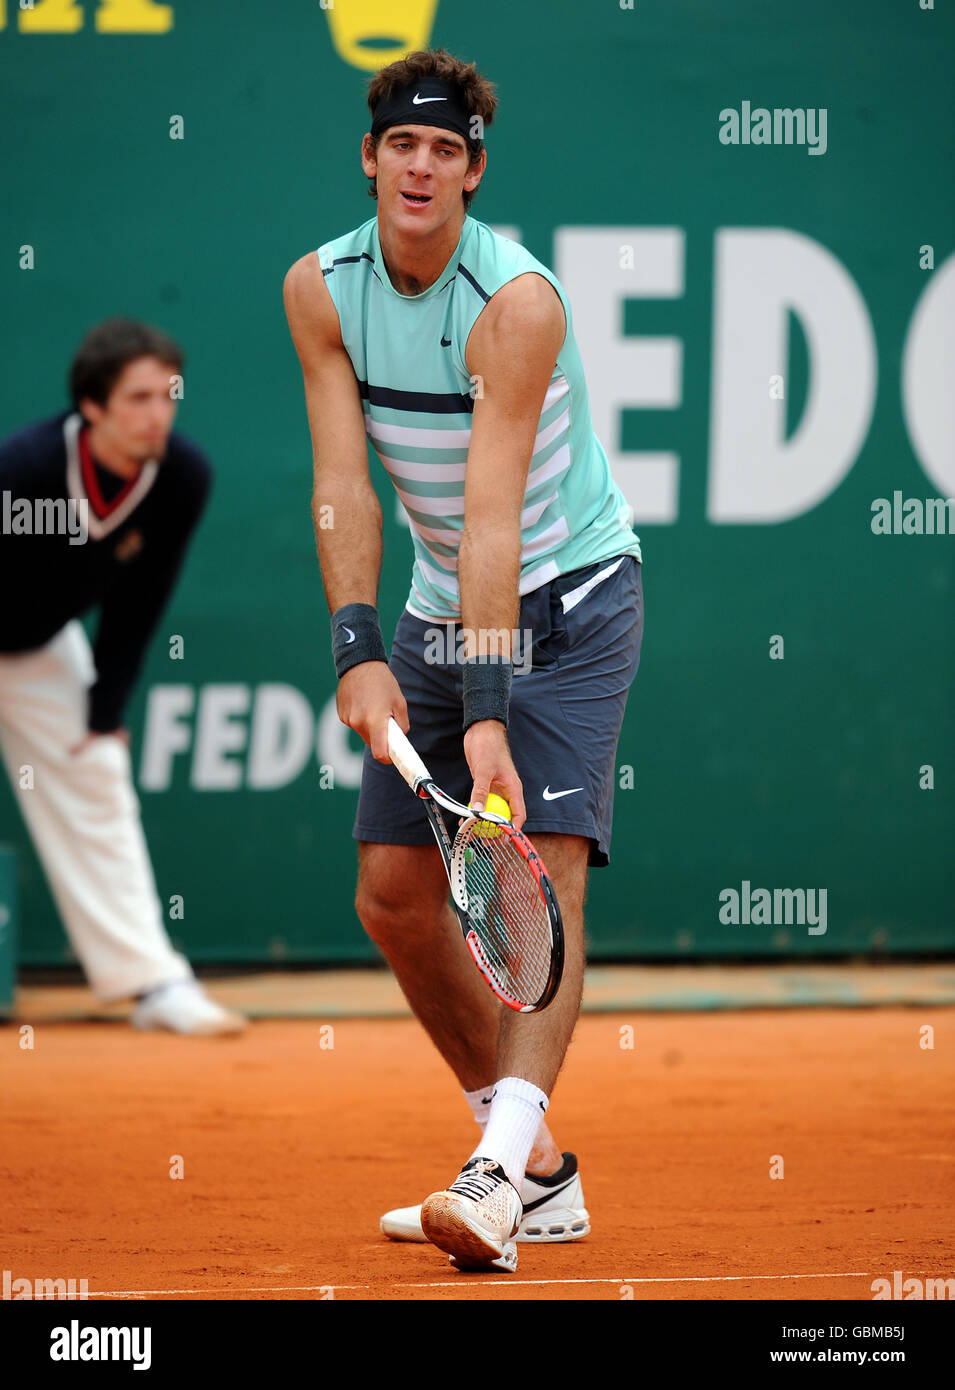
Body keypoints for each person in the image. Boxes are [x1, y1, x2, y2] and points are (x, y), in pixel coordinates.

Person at [284, 48, 642, 1271]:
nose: (421, 165)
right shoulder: (320, 290)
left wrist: (484, 708)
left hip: (572, 598)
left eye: (446, 148)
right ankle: (532, 1164)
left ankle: (496, 1170)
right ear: (370, 157)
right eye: (402, 145)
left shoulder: (518, 304)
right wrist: (358, 646)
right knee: (392, 894)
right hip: (447, 601)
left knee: (541, 873)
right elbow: (344, 484)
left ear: (473, 170)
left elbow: (494, 515)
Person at [0, 318, 246, 1037]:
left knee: (97, 771)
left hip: (40, 650)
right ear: (93, 407)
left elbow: (140, 604)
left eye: (168, 396)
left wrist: (104, 713)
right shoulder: (25, 469)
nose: (157, 414)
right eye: (138, 398)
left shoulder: (182, 477)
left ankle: (152, 982)